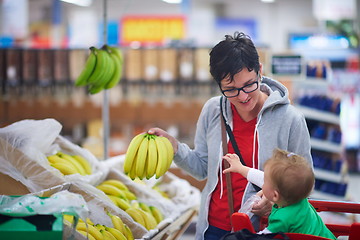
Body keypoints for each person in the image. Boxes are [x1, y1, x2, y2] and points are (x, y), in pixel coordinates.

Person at [147, 32, 312, 240]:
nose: (242, 97)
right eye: (231, 89)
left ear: (260, 71)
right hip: (213, 228)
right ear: (219, 85)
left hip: (264, 230)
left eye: (248, 85)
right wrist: (175, 148)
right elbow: (201, 168)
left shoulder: (290, 120)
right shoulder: (212, 110)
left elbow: (305, 183)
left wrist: (275, 201)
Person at [222, 148, 336, 239]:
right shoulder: (299, 198)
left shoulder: (282, 219)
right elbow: (263, 179)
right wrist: (241, 168)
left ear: (275, 195)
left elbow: (264, 237)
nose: (263, 182)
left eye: (265, 181)